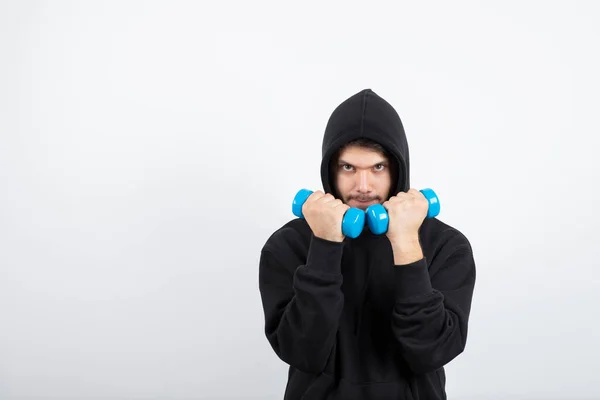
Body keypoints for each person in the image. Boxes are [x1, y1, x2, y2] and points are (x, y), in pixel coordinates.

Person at [258, 88, 476, 399]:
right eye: (348, 167)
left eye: (378, 167)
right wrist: (324, 245)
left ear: (397, 169)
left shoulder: (445, 245)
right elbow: (302, 352)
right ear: (330, 169)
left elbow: (432, 352)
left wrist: (406, 244)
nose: (363, 186)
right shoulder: (289, 245)